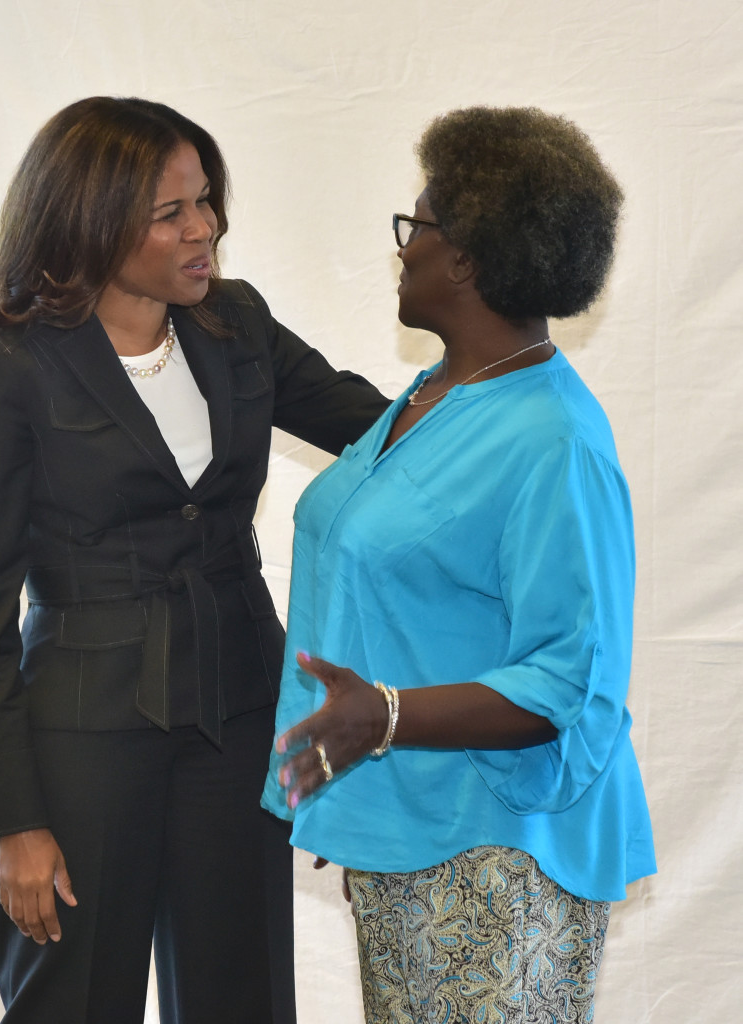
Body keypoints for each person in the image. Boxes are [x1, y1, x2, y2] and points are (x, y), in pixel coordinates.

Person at [0, 95, 388, 1024]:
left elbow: (375, 429)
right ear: (96, 225)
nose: (205, 228)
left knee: (244, 992)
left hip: (236, 716)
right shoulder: (15, 363)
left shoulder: (235, 323)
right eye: (172, 213)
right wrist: (16, 825)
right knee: (73, 999)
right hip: (82, 734)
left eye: (206, 201)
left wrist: (503, 387)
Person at [262, 106, 656, 1023]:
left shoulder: (552, 439)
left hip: (502, 859)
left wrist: (382, 718)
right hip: (409, 832)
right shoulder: (434, 395)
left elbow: (568, 678)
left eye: (418, 227)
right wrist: (351, 753)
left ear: (467, 259)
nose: (402, 249)